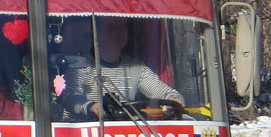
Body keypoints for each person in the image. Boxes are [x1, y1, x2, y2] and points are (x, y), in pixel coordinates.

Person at [55, 17, 184, 120]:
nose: (119, 33)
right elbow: (69, 96)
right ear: (97, 33)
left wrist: (174, 101)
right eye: (111, 28)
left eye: (123, 27)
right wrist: (92, 107)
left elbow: (167, 93)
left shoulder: (136, 68)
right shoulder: (81, 66)